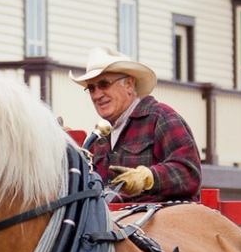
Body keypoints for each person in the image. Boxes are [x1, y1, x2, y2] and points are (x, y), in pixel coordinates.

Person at [73, 47, 201, 203]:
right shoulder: (100, 138)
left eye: (104, 84)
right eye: (91, 88)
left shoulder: (161, 117)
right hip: (113, 224)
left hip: (160, 223)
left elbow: (190, 173)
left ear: (128, 84)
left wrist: (148, 178)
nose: (97, 95)